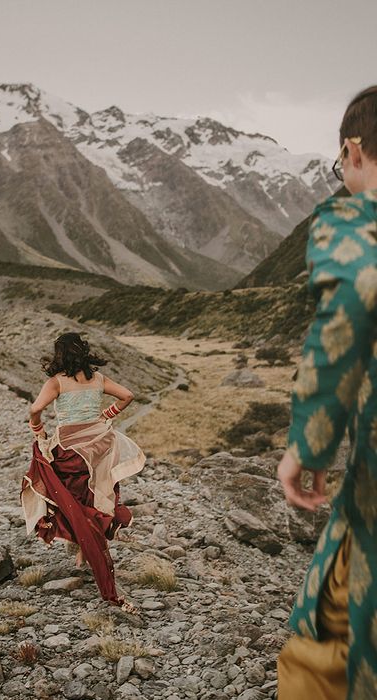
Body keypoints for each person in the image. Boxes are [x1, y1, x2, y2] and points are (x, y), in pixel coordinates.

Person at [276, 85, 377, 699]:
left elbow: (350, 305)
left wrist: (308, 448)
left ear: (352, 149)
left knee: (327, 635)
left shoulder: (357, 225)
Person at [20, 332, 145, 611]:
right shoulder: (99, 379)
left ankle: (81, 551)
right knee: (96, 497)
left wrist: (38, 430)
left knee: (69, 500)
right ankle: (84, 555)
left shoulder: (57, 382)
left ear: (60, 355)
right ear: (84, 351)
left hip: (70, 450)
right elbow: (128, 395)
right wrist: (107, 414)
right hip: (100, 445)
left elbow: (35, 408)